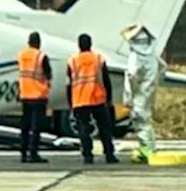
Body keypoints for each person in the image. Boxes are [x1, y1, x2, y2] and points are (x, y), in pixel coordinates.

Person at [67, 33, 118, 164]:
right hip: (97, 98)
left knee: (83, 128)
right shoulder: (98, 59)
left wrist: (70, 102)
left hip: (79, 100)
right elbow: (106, 79)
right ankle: (109, 154)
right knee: (104, 128)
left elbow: (68, 83)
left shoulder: (72, 61)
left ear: (79, 45)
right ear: (90, 44)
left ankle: (88, 156)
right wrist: (109, 98)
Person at [122, 23, 166, 163]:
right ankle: (148, 147)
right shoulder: (152, 55)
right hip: (149, 91)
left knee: (140, 119)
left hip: (139, 92)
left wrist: (128, 96)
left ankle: (147, 148)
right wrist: (156, 81)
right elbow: (163, 67)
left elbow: (131, 76)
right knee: (146, 119)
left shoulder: (135, 57)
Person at [17, 31, 51, 164]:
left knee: (25, 126)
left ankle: (23, 153)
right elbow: (48, 74)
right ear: (39, 43)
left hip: (25, 94)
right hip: (38, 96)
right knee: (36, 127)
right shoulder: (41, 56)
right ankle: (33, 153)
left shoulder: (21, 55)